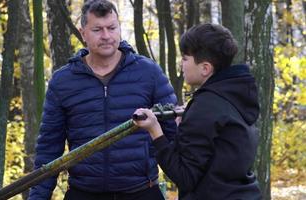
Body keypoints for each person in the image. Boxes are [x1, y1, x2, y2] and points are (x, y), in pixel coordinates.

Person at [28, 0, 177, 199]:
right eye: (98, 29)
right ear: (83, 33)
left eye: (112, 28)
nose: (106, 36)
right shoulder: (63, 81)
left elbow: (174, 136)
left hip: (142, 190)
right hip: (84, 193)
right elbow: (49, 147)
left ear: (119, 29)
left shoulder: (148, 72)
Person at [133, 23, 262, 200]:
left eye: (185, 58)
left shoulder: (205, 106)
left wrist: (155, 131)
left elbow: (184, 176)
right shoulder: (234, 97)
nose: (181, 64)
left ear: (205, 68)